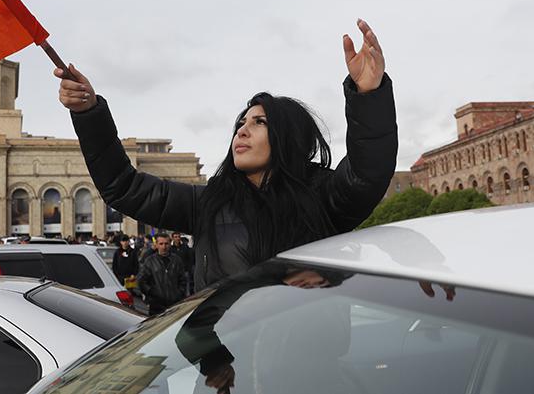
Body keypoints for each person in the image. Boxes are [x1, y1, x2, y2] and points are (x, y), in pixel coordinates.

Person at [55, 19, 397, 291]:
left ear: (287, 138)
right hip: (226, 374)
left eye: (258, 122)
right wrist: (89, 113)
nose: (242, 131)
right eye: (240, 123)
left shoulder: (324, 197)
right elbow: (124, 187)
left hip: (308, 370)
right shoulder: (208, 204)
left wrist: (369, 95)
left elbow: (368, 173)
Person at [136, 235, 187, 315]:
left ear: (170, 244)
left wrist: (179, 294)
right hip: (156, 306)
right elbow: (141, 281)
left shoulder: (176, 260)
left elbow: (183, 280)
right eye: (161, 244)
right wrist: (152, 293)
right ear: (156, 245)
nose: (164, 247)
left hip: (174, 305)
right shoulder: (150, 261)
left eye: (166, 244)